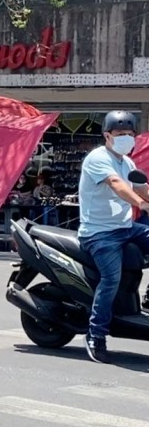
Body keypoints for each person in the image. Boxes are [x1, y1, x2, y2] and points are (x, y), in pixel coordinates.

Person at [78, 110, 149, 364]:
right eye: (120, 134)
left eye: (130, 134)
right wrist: (143, 204)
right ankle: (96, 335)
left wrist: (146, 198)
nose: (126, 139)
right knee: (111, 279)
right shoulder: (98, 158)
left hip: (124, 227)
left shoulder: (127, 162)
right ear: (107, 135)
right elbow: (117, 186)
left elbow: (141, 187)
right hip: (99, 233)